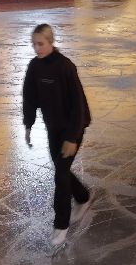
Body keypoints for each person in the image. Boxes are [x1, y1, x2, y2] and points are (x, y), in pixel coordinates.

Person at [22, 23, 93, 248]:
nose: (37, 48)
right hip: (53, 128)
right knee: (61, 170)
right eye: (34, 44)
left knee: (60, 175)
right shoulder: (35, 67)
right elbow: (29, 96)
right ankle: (82, 196)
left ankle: (61, 225)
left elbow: (79, 106)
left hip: (73, 127)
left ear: (51, 42)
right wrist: (28, 124)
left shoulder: (65, 68)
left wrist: (72, 137)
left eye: (40, 44)